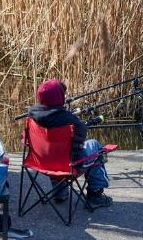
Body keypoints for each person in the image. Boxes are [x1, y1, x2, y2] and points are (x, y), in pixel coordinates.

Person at [27, 79, 112, 209]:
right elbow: (82, 137)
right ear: (58, 97)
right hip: (70, 166)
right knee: (94, 145)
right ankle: (95, 195)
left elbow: (25, 140)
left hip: (40, 162)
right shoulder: (68, 119)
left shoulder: (31, 116)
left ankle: (60, 193)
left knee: (53, 152)